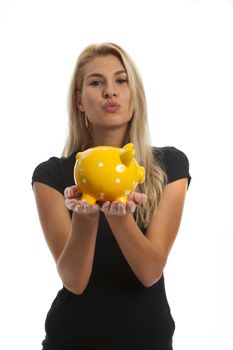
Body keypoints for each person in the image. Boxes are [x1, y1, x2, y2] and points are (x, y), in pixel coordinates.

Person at [32, 42, 191, 350]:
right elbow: (74, 281)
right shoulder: (51, 175)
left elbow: (149, 272)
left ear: (135, 94)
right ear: (79, 101)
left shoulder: (169, 166)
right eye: (96, 82)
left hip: (148, 341)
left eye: (121, 80)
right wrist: (86, 217)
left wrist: (121, 219)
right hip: (71, 340)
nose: (110, 91)